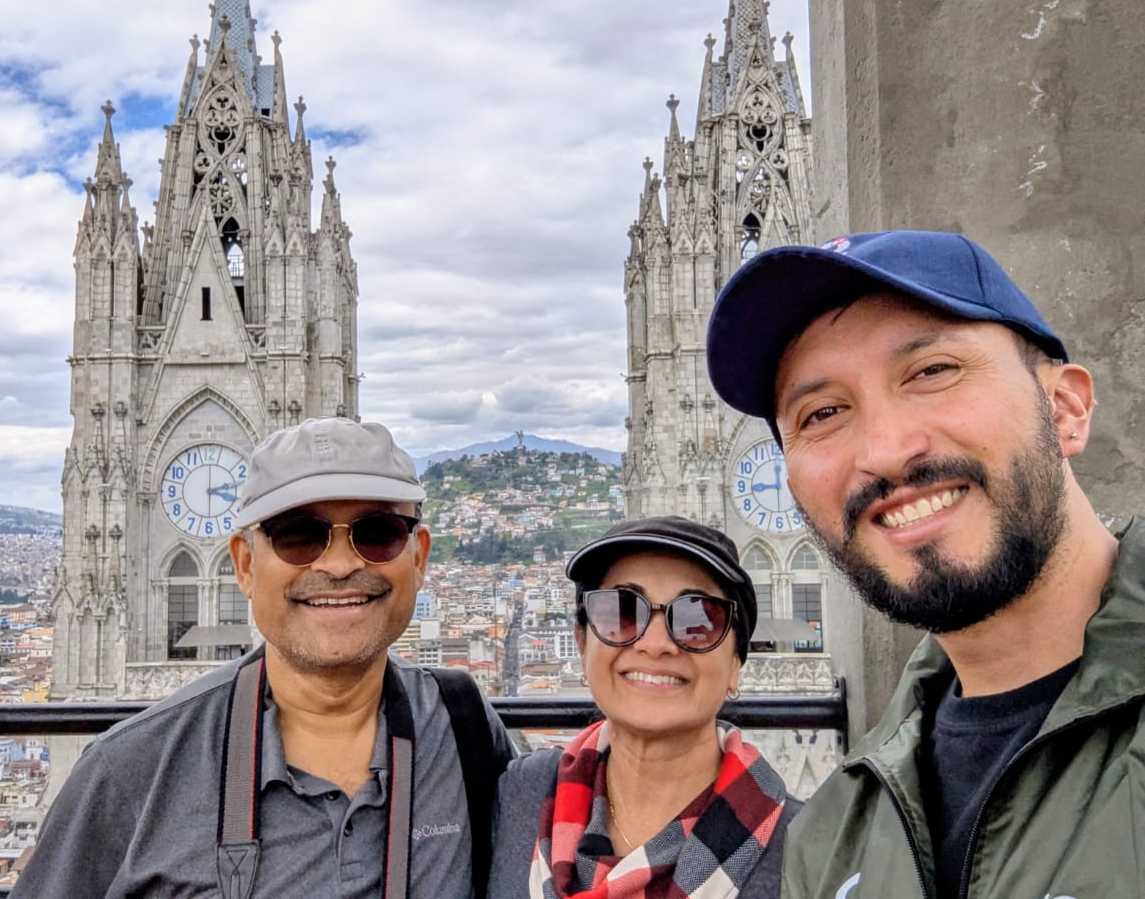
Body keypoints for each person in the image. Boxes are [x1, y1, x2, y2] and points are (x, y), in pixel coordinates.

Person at [705, 229, 1144, 898]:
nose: (885, 451)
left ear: (1066, 409)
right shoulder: (830, 839)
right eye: (823, 412)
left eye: (932, 372)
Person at [14, 417, 514, 899]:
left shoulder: (462, 728)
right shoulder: (128, 773)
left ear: (419, 557)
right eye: (297, 535)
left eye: (378, 533)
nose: (340, 564)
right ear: (246, 564)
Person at [488, 516, 798, 899]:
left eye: (697, 619)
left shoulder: (804, 850)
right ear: (583, 644)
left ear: (736, 662)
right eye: (621, 611)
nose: (655, 644)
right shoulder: (521, 795)